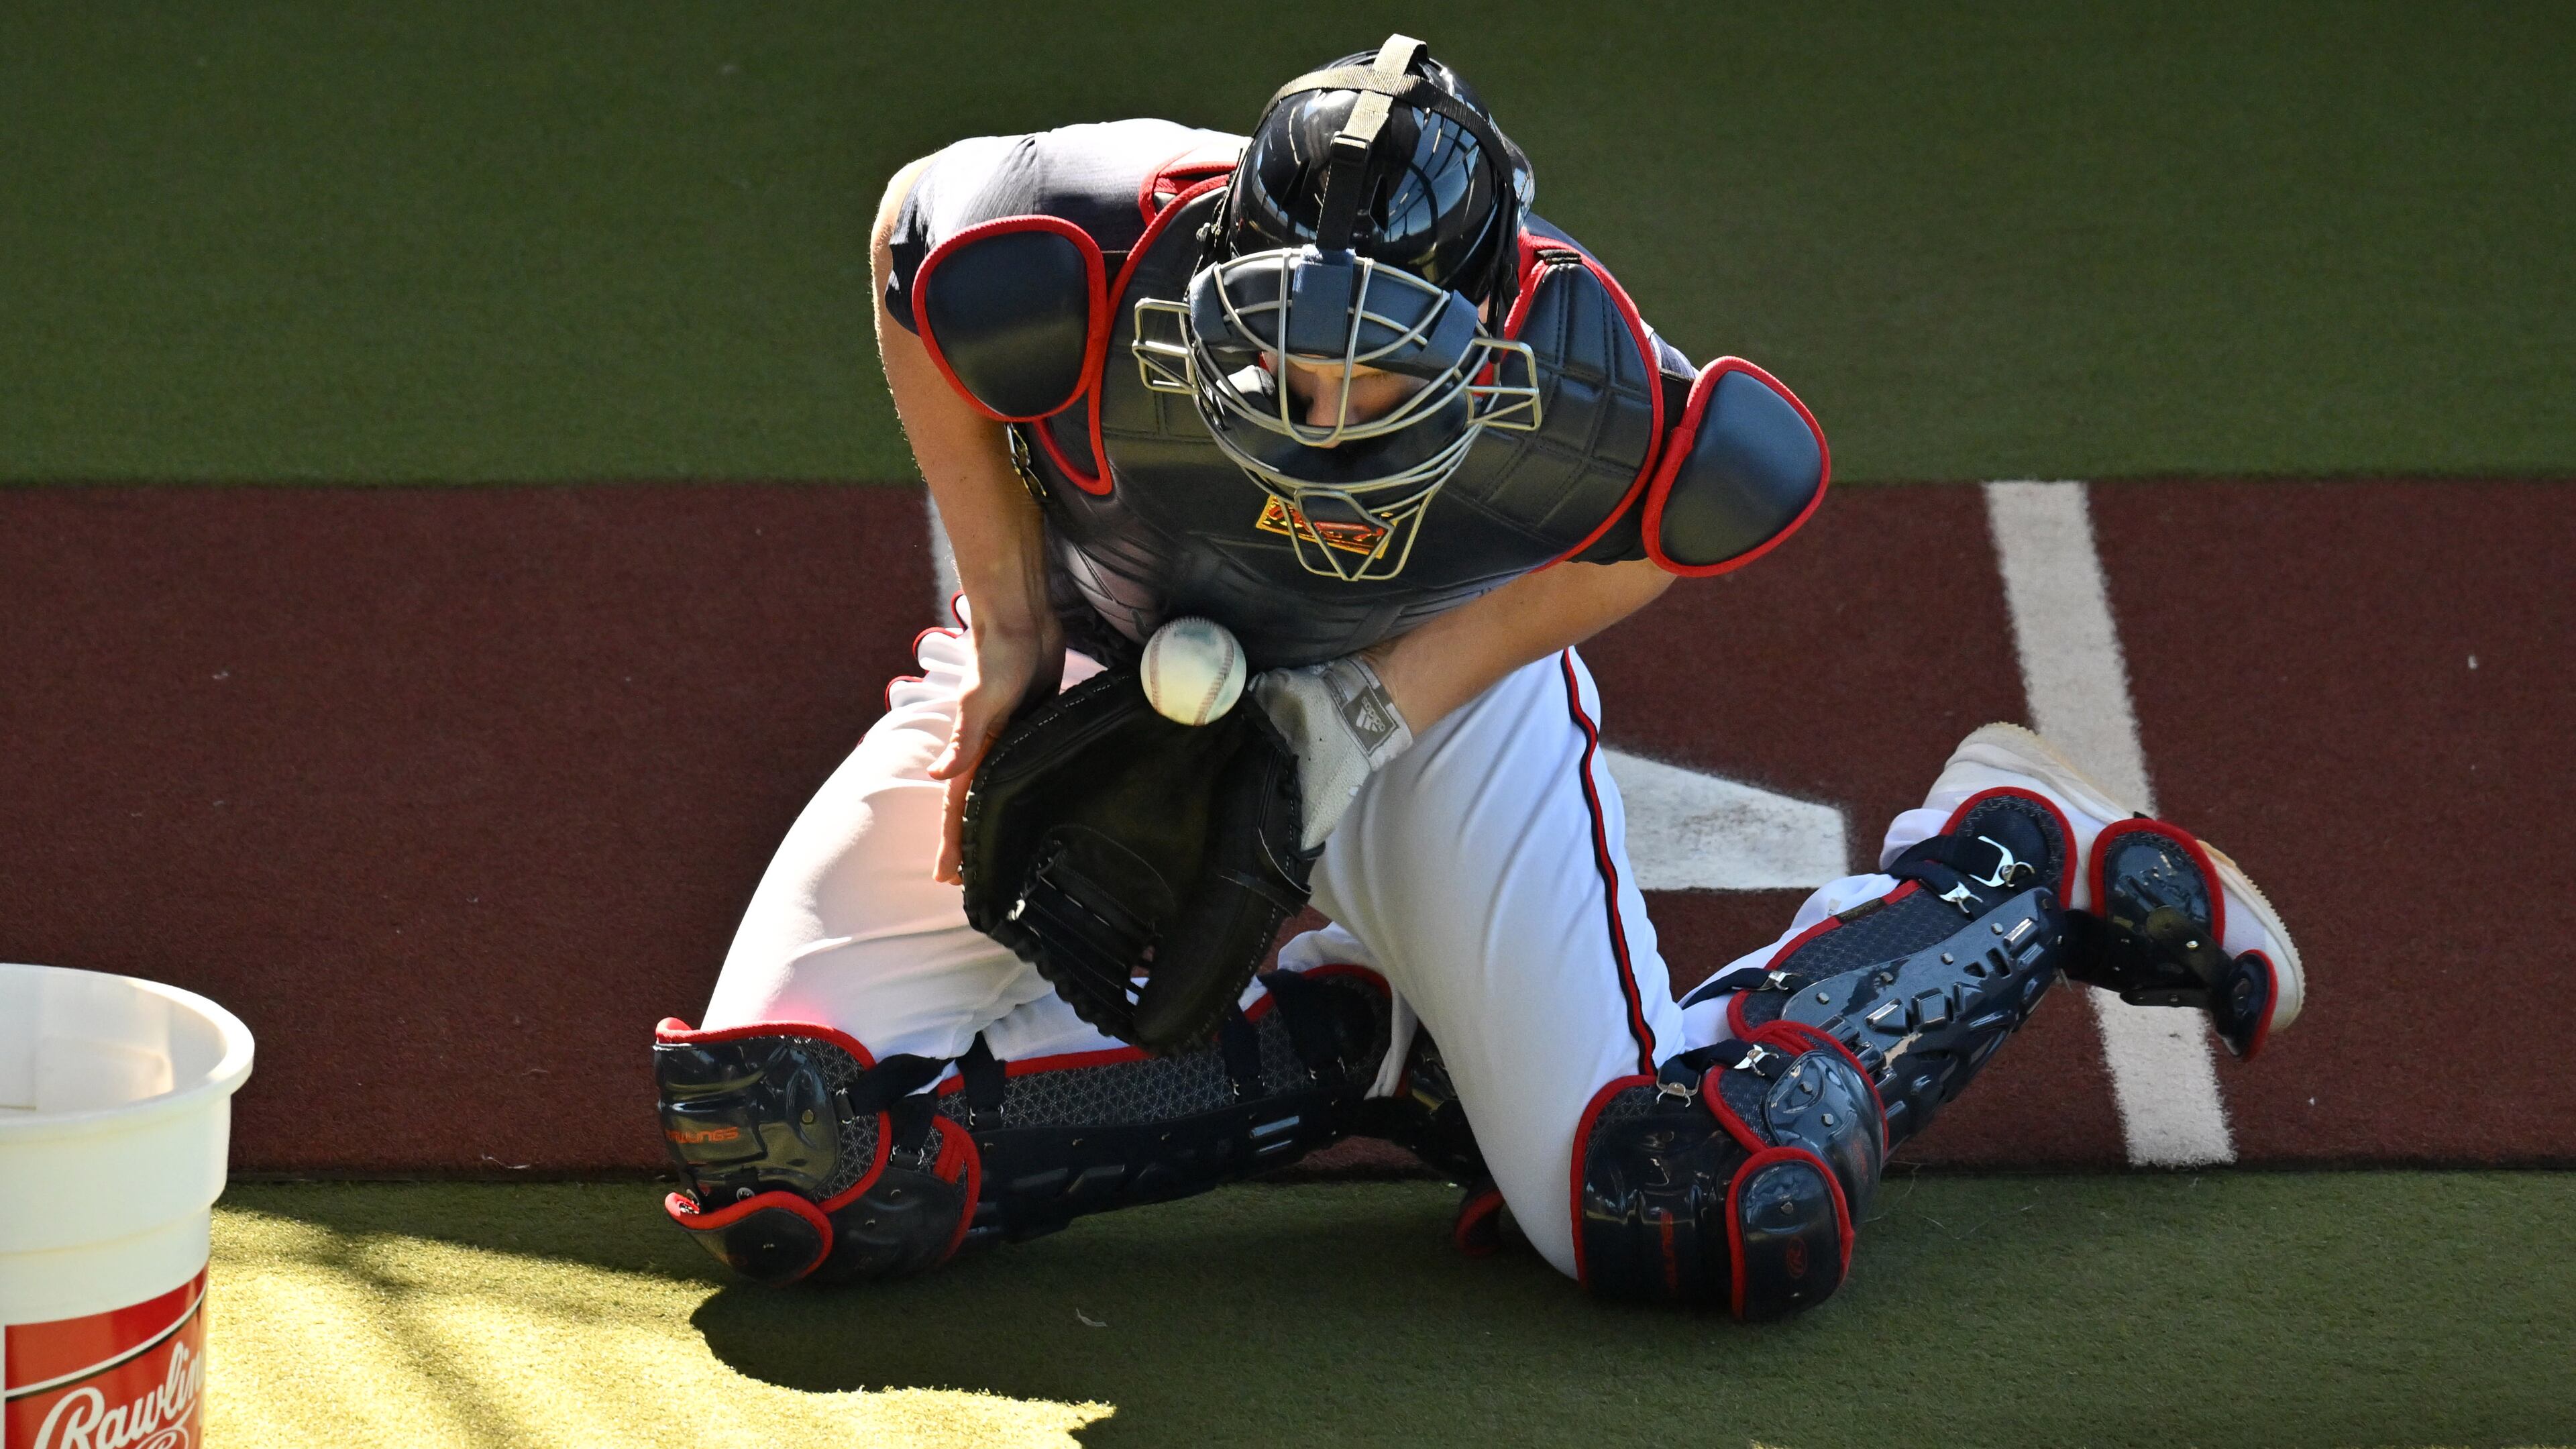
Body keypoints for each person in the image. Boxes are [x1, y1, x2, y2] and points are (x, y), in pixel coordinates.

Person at [650, 37, 2304, 1317]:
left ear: (1491, 323)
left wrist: (1363, 715)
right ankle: (1360, 1047)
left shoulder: (1590, 375)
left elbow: (1720, 493)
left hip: (1427, 713)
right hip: (1094, 667)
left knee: (1692, 1203)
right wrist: (1013, 630)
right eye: (1289, 342)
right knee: (794, 1156)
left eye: (1372, 366)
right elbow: (906, 252)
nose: (1318, 404)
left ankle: (2011, 858)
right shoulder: (1063, 239)